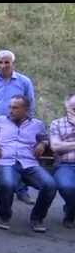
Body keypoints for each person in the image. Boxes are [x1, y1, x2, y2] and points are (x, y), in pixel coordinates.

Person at [0, 95, 56, 232]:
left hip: (29, 164)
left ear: (25, 109)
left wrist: (42, 144)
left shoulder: (37, 125)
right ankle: (4, 216)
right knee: (8, 183)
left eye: (15, 107)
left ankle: (37, 218)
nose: (10, 110)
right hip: (6, 162)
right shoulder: (0, 121)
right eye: (10, 107)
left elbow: (45, 139)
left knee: (50, 185)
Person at [0, 49, 36, 204]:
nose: (3, 65)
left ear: (13, 63)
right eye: (0, 62)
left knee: (14, 157)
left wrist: (26, 127)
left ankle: (20, 189)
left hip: (16, 127)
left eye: (6, 62)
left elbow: (30, 105)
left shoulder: (24, 82)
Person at [49, 93, 75, 229]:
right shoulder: (57, 124)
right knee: (67, 187)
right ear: (67, 108)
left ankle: (71, 210)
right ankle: (71, 213)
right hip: (65, 165)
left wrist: (68, 145)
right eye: (74, 109)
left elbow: (62, 145)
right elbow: (56, 147)